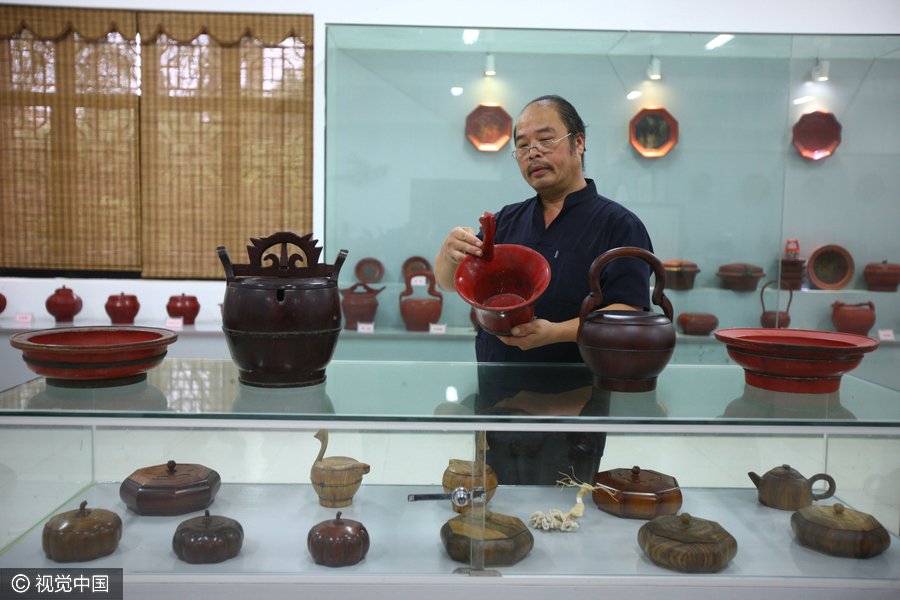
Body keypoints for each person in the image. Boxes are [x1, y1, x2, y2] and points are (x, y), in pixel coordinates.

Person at [434, 95, 655, 484]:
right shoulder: (506, 219)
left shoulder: (618, 225)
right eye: (521, 145)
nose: (532, 152)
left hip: (571, 409)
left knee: (560, 516)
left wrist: (555, 332)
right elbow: (449, 283)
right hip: (497, 401)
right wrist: (449, 253)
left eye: (545, 139)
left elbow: (629, 315)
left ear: (579, 142)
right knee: (495, 509)